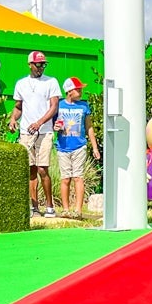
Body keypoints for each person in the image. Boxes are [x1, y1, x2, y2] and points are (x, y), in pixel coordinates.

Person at [9, 50, 61, 217]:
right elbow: (18, 107)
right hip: (26, 132)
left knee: (42, 169)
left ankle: (50, 206)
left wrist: (39, 123)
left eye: (43, 64)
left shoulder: (51, 82)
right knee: (30, 169)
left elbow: (54, 107)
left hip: (44, 132)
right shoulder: (21, 84)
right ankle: (34, 207)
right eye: (38, 64)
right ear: (30, 64)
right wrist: (12, 120)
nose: (41, 67)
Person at [54, 77, 100, 218]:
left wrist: (95, 147)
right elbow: (52, 123)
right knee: (65, 178)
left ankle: (78, 210)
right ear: (69, 91)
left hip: (79, 146)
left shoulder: (84, 106)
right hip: (62, 147)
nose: (81, 91)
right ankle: (66, 209)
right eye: (77, 89)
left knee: (78, 177)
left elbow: (89, 127)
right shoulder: (58, 105)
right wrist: (55, 127)